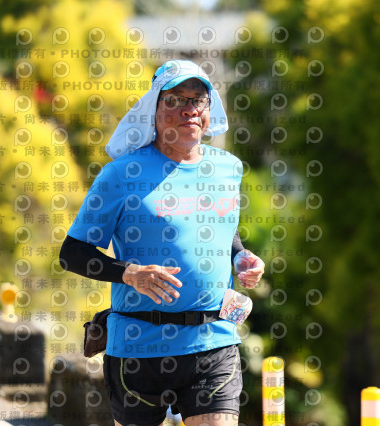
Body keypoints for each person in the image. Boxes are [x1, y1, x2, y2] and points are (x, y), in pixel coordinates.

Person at [59, 59, 265, 426]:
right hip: (138, 347)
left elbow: (224, 229)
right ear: (152, 110)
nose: (189, 108)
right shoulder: (122, 173)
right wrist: (130, 274)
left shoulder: (228, 168)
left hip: (213, 342)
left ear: (209, 108)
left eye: (198, 99)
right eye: (175, 99)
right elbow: (72, 254)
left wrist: (241, 257)